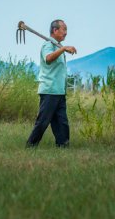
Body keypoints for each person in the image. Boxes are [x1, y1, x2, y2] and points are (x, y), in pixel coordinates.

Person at [26, 19, 77, 148]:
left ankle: (63, 146)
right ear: (55, 30)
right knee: (43, 121)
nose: (66, 32)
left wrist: (62, 48)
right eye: (63, 29)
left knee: (61, 122)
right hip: (49, 90)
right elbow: (48, 58)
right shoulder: (48, 45)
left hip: (59, 91)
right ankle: (31, 145)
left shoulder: (57, 46)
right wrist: (64, 48)